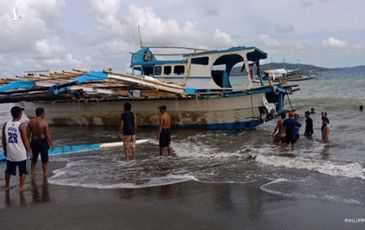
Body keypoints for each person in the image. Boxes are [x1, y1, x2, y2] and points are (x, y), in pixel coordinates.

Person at [1, 106, 32, 192]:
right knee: (22, 171)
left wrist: (4, 150)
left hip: (10, 152)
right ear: (20, 114)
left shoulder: (5, 124)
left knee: (8, 170)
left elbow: (3, 139)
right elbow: (25, 140)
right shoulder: (22, 126)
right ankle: (21, 187)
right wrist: (30, 150)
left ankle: (7, 185)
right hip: (21, 153)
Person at [28, 107, 53, 178]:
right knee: (44, 160)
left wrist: (27, 145)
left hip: (34, 141)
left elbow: (28, 134)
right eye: (44, 113)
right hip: (42, 141)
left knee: (33, 159)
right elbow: (47, 134)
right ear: (42, 113)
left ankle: (32, 173)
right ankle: (45, 173)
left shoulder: (31, 122)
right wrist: (51, 144)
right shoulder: (44, 122)